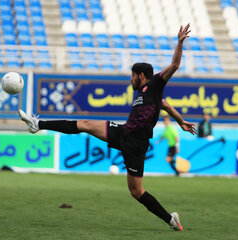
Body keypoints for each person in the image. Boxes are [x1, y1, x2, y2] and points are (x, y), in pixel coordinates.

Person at [19, 24, 194, 231]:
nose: (130, 79)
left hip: (137, 145)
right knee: (85, 124)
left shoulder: (155, 84)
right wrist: (181, 120)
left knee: (136, 192)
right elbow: (166, 106)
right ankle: (37, 124)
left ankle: (170, 220)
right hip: (123, 132)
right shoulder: (144, 94)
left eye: (132, 76)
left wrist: (179, 42)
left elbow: (174, 65)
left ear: (141, 75)